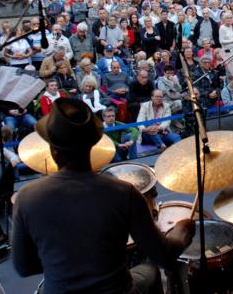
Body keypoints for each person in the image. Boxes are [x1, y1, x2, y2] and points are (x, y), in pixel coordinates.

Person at [12, 97, 194, 293]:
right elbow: (163, 255)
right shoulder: (124, 193)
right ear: (93, 145)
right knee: (150, 270)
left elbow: (24, 267)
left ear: (52, 150)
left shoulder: (26, 198)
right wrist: (183, 230)